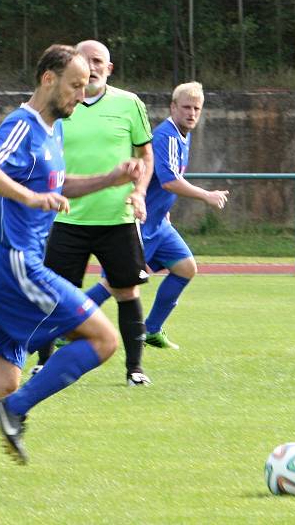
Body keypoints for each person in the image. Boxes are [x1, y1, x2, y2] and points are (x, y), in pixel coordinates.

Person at [0, 44, 143, 465]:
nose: (80, 95)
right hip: (14, 261)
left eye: (85, 86)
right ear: (48, 80)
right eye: (73, 85)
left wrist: (109, 178)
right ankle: (13, 413)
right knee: (103, 340)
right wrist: (30, 198)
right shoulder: (21, 124)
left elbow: (56, 183)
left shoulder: (54, 130)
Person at [36, 39, 155, 387]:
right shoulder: (58, 106)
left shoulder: (129, 103)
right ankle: (44, 362)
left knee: (127, 291)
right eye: (85, 61)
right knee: (54, 293)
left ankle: (135, 368)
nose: (93, 67)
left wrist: (139, 192)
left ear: (109, 68)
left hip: (116, 219)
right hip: (65, 217)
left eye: (98, 61)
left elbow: (145, 156)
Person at [88, 81, 229, 349]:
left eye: (196, 108)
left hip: (158, 222)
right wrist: (206, 195)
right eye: (186, 107)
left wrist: (165, 212)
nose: (191, 113)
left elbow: (160, 183)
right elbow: (169, 182)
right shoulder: (166, 136)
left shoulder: (181, 136)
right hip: (139, 221)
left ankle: (151, 330)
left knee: (186, 268)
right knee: (115, 283)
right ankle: (65, 328)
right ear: (172, 107)